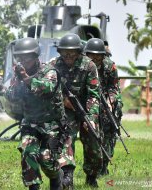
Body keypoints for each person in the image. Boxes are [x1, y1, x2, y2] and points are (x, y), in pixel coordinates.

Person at [5, 37, 67, 190]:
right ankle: (33, 187)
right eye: (19, 57)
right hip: (31, 122)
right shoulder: (19, 74)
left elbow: (47, 89)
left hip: (52, 123)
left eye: (26, 57)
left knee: (46, 158)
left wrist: (26, 79)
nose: (23, 61)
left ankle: (56, 176)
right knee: (28, 151)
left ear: (35, 56)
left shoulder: (49, 71)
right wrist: (18, 82)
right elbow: (11, 96)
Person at [52, 33, 103, 188]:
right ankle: (67, 176)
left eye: (72, 52)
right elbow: (50, 91)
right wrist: (63, 101)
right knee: (66, 137)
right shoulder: (54, 65)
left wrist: (91, 118)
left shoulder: (89, 66)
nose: (68, 56)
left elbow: (94, 94)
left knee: (93, 143)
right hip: (66, 110)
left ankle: (92, 175)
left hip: (86, 108)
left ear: (79, 51)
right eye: (64, 52)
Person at [84, 38, 123, 176]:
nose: (95, 58)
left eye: (98, 55)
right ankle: (93, 167)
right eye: (91, 55)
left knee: (109, 135)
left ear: (103, 55)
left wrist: (110, 101)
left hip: (108, 104)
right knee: (93, 137)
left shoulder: (110, 66)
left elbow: (114, 88)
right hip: (89, 103)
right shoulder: (83, 65)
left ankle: (104, 164)